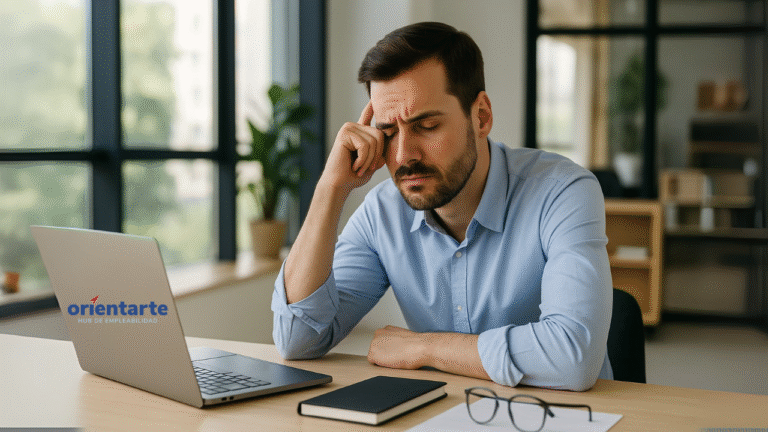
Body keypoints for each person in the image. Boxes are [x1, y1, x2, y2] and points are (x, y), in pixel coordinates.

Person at [271, 22, 613, 391]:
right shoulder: (382, 214)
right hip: (445, 412)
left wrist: (424, 347)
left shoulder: (562, 192)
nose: (403, 156)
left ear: (481, 117)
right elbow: (297, 340)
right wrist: (331, 188)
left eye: (427, 126)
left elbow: (573, 357)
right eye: (388, 133)